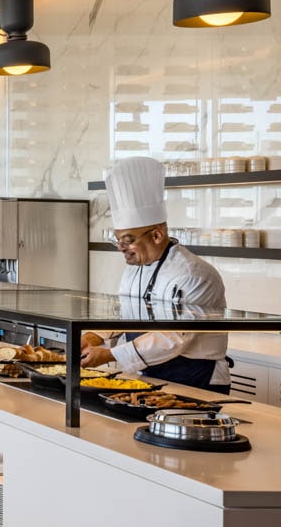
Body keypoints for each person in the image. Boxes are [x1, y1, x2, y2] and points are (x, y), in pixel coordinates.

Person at [81, 156, 230, 391]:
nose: (121, 248)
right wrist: (93, 336)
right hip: (150, 374)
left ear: (157, 235)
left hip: (195, 379)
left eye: (128, 241)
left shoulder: (194, 274)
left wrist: (111, 354)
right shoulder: (135, 267)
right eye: (118, 240)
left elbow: (173, 338)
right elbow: (125, 313)